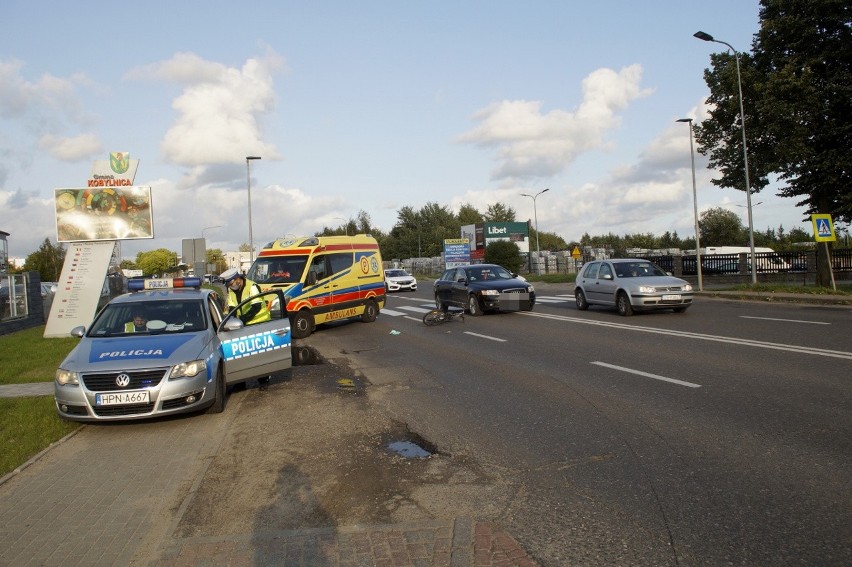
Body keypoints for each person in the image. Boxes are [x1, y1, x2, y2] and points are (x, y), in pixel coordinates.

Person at [219, 268, 272, 388]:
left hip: (259, 324)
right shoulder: (231, 290)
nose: (231, 287)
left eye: (232, 284)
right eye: (229, 285)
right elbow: (232, 307)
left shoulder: (252, 286)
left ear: (237, 279)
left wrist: (242, 319)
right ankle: (240, 382)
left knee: (259, 355)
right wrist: (230, 320)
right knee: (242, 354)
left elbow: (256, 306)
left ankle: (263, 381)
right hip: (242, 326)